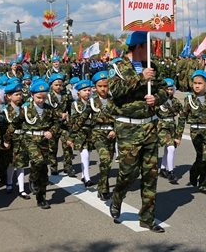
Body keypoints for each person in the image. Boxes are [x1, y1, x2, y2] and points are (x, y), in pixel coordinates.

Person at [107, 31, 168, 233]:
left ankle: (147, 218)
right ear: (140, 47)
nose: (152, 51)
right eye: (149, 46)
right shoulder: (117, 66)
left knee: (151, 174)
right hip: (128, 128)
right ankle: (117, 198)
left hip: (150, 126)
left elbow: (163, 90)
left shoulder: (152, 66)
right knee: (128, 173)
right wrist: (141, 79)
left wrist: (157, 99)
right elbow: (116, 91)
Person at [5, 80, 57, 208]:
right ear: (32, 95)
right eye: (39, 97)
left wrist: (51, 131)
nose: (41, 100)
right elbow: (15, 123)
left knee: (43, 170)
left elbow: (57, 123)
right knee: (38, 161)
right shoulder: (26, 108)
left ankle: (41, 198)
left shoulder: (49, 109)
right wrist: (7, 138)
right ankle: (32, 179)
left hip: (44, 140)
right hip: (29, 139)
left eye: (44, 97)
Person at [176, 70, 206, 196]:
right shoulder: (189, 98)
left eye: (200, 83)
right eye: (195, 83)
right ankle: (194, 172)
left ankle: (203, 185)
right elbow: (181, 118)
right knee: (202, 156)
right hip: (196, 131)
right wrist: (178, 136)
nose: (196, 85)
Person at [87, 71, 117, 201]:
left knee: (108, 163)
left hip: (111, 134)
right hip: (97, 134)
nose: (103, 88)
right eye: (100, 86)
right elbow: (81, 119)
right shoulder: (92, 102)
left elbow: (120, 117)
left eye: (105, 85)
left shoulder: (114, 100)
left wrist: (115, 129)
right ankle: (104, 188)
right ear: (95, 87)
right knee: (105, 158)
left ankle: (101, 184)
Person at [65, 80, 94, 187]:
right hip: (80, 131)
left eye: (89, 90)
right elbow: (73, 120)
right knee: (84, 153)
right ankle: (87, 178)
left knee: (88, 153)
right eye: (84, 90)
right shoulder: (75, 104)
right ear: (78, 93)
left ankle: (83, 175)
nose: (87, 92)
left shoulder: (93, 102)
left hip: (90, 131)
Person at [46, 73, 76, 177]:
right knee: (52, 147)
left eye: (60, 85)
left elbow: (69, 109)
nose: (58, 87)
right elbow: (47, 111)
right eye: (56, 85)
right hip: (52, 125)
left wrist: (70, 122)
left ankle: (68, 167)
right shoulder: (47, 96)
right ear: (51, 85)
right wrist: (59, 114)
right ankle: (53, 166)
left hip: (64, 125)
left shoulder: (66, 95)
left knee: (67, 146)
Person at [157, 78, 183, 184]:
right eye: (167, 89)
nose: (169, 91)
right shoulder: (158, 101)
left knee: (168, 150)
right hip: (161, 127)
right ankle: (171, 173)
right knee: (171, 148)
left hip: (172, 127)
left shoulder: (176, 102)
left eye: (171, 89)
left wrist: (179, 136)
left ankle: (163, 169)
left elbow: (181, 118)